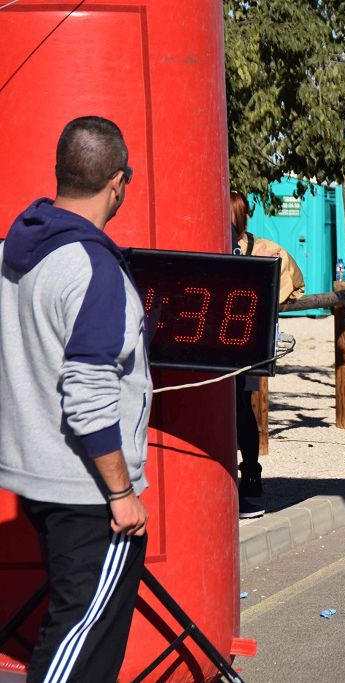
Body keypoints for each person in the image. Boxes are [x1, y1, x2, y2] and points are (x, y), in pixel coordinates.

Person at [0, 116, 150, 681]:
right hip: (88, 491)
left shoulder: (12, 251)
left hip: (36, 473)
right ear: (117, 183)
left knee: (72, 634)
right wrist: (122, 493)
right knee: (78, 649)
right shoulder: (93, 267)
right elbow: (88, 396)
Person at [230, 190, 305, 519]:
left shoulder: (207, 241)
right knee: (242, 408)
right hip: (247, 342)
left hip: (213, 343)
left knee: (231, 408)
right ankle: (251, 477)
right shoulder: (266, 249)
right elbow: (295, 286)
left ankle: (236, 480)